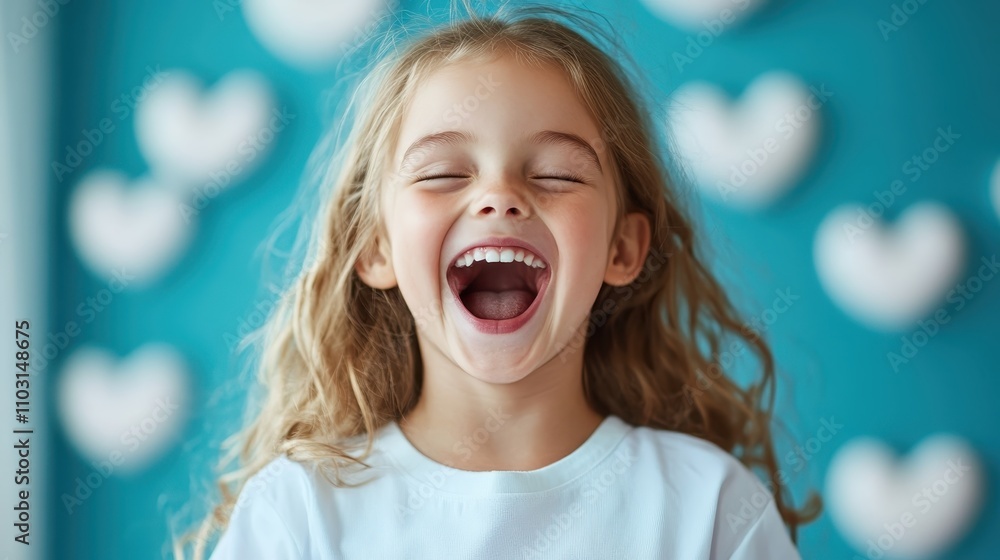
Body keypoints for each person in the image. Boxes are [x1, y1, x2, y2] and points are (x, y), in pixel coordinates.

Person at [178, 3, 819, 558]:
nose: (499, 197)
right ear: (375, 248)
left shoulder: (708, 506)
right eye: (442, 174)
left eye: (557, 175)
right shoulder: (302, 513)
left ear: (622, 249)